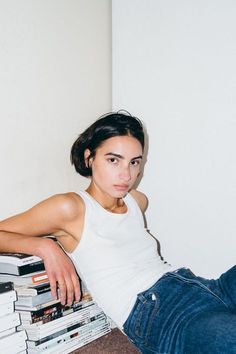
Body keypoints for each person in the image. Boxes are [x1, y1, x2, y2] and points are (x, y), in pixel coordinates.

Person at [0, 111, 236, 354]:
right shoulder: (70, 208)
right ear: (89, 158)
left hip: (204, 287)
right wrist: (45, 247)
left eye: (134, 162)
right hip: (163, 315)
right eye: (114, 160)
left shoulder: (136, 201)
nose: (127, 175)